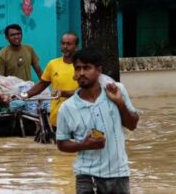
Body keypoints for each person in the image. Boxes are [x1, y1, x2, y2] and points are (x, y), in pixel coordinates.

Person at [56, 48, 139, 194]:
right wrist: (84, 145)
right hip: (86, 175)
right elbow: (61, 144)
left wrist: (119, 102)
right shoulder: (67, 108)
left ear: (98, 70)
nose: (81, 73)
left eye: (87, 68)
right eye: (78, 69)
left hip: (119, 173)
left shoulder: (117, 90)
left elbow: (132, 125)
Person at [20, 32, 79, 129]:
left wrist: (63, 92)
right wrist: (25, 95)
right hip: (57, 117)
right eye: (63, 43)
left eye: (68, 44)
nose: (65, 47)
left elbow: (85, 91)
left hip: (78, 118)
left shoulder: (82, 67)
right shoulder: (53, 64)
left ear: (76, 46)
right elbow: (42, 84)